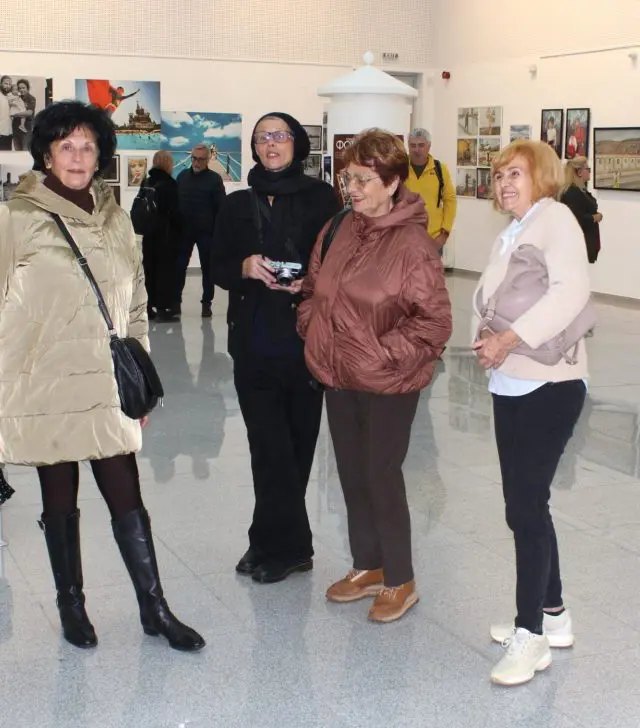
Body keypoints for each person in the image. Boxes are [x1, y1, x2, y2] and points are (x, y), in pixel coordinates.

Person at [0, 100, 204, 652]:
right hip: (44, 382)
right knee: (58, 497)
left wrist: (139, 377)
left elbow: (135, 302)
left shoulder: (116, 217)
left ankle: (154, 608)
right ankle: (72, 605)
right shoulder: (15, 218)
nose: (77, 156)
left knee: (126, 495)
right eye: (65, 146)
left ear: (100, 155)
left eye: (87, 146)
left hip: (106, 382)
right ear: (46, 155)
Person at [298, 128, 452, 622]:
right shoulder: (339, 226)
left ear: (391, 182)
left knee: (381, 475)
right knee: (350, 471)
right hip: (338, 374)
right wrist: (313, 327)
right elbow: (312, 287)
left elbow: (434, 324)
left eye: (364, 179)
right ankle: (368, 565)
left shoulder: (413, 245)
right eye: (348, 178)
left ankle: (401, 578)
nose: (353, 188)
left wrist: (381, 354)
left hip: (389, 381)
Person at [471, 140, 590, 686]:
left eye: (515, 173)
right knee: (526, 504)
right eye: (499, 175)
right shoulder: (515, 231)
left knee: (524, 507)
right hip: (510, 380)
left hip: (549, 382)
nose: (504, 184)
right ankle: (555, 616)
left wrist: (509, 338)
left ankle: (531, 634)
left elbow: (570, 294)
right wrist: (487, 339)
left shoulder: (556, 219)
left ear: (541, 176)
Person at [211, 112, 339, 584]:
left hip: (304, 341)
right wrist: (243, 267)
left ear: (296, 143)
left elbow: (339, 265)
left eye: (280, 135)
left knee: (297, 447)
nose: (271, 144)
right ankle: (285, 545)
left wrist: (308, 283)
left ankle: (273, 543)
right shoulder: (236, 204)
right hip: (253, 341)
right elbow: (217, 266)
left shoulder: (322, 198)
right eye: (263, 137)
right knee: (267, 447)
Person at [176, 143, 226, 318]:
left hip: (207, 232)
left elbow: (221, 207)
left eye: (200, 159)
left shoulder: (214, 179)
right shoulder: (182, 177)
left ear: (208, 160)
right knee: (179, 267)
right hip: (184, 231)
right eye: (194, 159)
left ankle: (206, 303)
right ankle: (176, 302)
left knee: (207, 269)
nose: (196, 162)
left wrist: (219, 233)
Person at [140, 150, 181, 321]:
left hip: (148, 233)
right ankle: (163, 309)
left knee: (149, 270)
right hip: (165, 235)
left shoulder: (147, 181)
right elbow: (175, 212)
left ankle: (148, 307)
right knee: (165, 272)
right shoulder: (170, 184)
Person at [405, 128, 456, 251]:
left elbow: (450, 200)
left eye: (421, 145)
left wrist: (444, 234)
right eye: (413, 145)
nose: (416, 149)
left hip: (433, 239)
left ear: (429, 146)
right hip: (404, 239)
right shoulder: (400, 168)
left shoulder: (440, 169)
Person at [560, 156, 602, 263]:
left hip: (586, 241)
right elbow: (576, 219)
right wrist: (594, 217)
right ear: (579, 172)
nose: (590, 172)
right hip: (578, 245)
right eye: (588, 169)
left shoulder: (580, 191)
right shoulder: (572, 193)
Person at [10, 79, 36, 150]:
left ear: (28, 88)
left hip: (26, 129)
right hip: (15, 128)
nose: (21, 90)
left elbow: (29, 113)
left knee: (25, 150)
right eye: (19, 88)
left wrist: (15, 114)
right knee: (17, 150)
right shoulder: (17, 97)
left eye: (23, 88)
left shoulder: (31, 98)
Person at [0, 76, 13, 150]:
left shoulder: (10, 97)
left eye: (9, 84)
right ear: (1, 84)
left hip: (9, 133)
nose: (8, 86)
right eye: (5, 83)